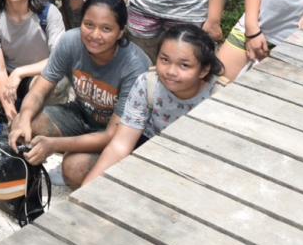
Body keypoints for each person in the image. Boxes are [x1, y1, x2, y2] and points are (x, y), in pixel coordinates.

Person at [8, 0, 150, 189]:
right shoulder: (71, 41)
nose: (95, 35)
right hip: (81, 115)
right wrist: (24, 118)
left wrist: (54, 145)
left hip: (118, 135)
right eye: (89, 25)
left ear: (120, 32)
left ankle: (101, 172)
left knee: (74, 169)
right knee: (22, 125)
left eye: (106, 29)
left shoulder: (134, 66)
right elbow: (39, 91)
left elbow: (112, 135)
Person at [82, 24, 222, 186]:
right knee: (76, 167)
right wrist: (85, 190)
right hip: (148, 146)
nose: (171, 71)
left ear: (204, 70)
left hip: (192, 163)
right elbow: (121, 145)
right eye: (165, 60)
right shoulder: (147, 84)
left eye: (184, 65)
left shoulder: (218, 96)